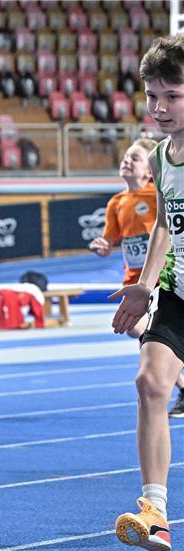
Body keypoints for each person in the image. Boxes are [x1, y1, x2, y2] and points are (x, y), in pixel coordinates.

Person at [109, 33, 184, 551]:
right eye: (153, 95)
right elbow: (163, 224)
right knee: (151, 383)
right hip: (178, 291)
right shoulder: (160, 156)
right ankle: (154, 510)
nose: (159, 107)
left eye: (172, 96)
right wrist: (142, 287)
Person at [89, 138, 184, 418]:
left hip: (163, 276)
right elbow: (111, 238)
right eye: (126, 157)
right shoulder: (116, 203)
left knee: (141, 333)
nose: (127, 161)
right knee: (139, 334)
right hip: (135, 280)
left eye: (135, 158)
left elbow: (166, 227)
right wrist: (103, 246)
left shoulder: (158, 192)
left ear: (148, 171)